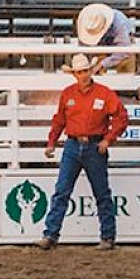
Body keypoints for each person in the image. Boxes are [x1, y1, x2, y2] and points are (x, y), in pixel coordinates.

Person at [38, 53, 128, 250]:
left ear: (90, 71)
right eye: (79, 72)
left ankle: (107, 236)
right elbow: (60, 119)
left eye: (85, 71)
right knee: (62, 190)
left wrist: (108, 139)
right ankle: (50, 234)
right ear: (75, 74)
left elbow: (121, 117)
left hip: (94, 146)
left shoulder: (104, 93)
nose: (83, 75)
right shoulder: (68, 94)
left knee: (101, 193)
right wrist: (51, 141)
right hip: (72, 145)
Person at [77, 4, 135, 74]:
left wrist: (101, 64)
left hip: (123, 47)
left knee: (127, 63)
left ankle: (126, 83)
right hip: (100, 47)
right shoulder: (86, 24)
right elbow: (83, 48)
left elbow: (124, 51)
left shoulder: (120, 23)